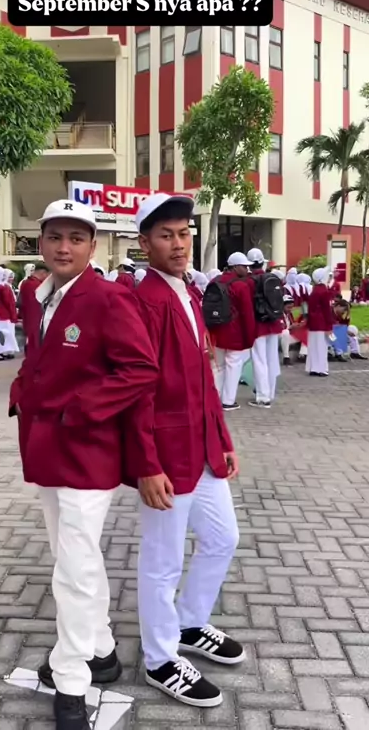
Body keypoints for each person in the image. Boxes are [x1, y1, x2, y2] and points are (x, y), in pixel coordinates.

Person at [9, 199, 159, 730]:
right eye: (55, 237)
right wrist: (22, 389)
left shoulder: (110, 298)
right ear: (41, 242)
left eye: (76, 238)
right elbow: (39, 357)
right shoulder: (37, 293)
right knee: (74, 557)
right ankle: (101, 649)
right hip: (46, 445)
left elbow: (141, 369)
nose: (64, 247)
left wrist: (81, 408)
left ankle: (71, 678)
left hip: (88, 451)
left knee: (71, 569)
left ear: (93, 246)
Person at [125, 192, 243, 710]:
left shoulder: (189, 292)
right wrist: (146, 465)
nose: (178, 244)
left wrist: (224, 439)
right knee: (163, 561)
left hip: (204, 447)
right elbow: (136, 392)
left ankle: (191, 623)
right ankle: (160, 658)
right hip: (166, 456)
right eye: (166, 235)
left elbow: (203, 376)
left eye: (183, 233)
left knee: (222, 539)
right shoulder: (143, 301)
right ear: (144, 242)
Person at [208, 252, 256, 411]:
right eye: (244, 266)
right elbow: (247, 313)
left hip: (216, 331)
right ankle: (228, 401)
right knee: (233, 367)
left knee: (218, 367)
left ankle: (214, 399)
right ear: (235, 267)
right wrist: (250, 337)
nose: (247, 269)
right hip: (235, 333)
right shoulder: (241, 286)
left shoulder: (214, 281)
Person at [247, 248, 283, 409]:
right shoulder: (273, 278)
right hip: (273, 323)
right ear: (262, 262)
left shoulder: (249, 282)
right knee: (271, 359)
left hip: (258, 325)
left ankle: (263, 397)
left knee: (259, 361)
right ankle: (270, 392)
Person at [306, 267, 333, 377]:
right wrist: (329, 325)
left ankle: (313, 368)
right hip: (322, 322)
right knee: (322, 346)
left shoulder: (314, 290)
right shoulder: (324, 291)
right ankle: (321, 369)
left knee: (313, 345)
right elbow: (327, 310)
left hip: (313, 322)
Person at [18, 263, 50, 347]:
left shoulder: (26, 283)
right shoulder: (36, 285)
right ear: (43, 273)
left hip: (28, 316)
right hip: (35, 317)